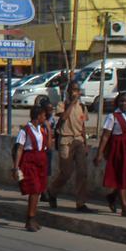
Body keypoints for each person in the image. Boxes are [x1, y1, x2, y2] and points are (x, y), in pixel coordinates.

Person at [46, 82, 92, 212]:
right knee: (66, 172)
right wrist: (72, 103)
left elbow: (82, 125)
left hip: (78, 139)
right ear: (68, 92)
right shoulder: (62, 105)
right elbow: (64, 117)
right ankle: (53, 191)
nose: (74, 92)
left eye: (76, 90)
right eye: (72, 90)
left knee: (82, 172)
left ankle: (80, 202)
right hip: (65, 140)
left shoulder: (82, 107)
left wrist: (85, 143)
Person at [13, 103, 51, 232]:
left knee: (39, 190)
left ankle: (33, 217)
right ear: (38, 116)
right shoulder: (25, 131)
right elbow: (19, 148)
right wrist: (16, 167)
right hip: (30, 162)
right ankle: (30, 218)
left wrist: (49, 130)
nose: (45, 117)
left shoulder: (42, 129)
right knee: (34, 190)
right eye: (43, 115)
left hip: (41, 162)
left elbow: (48, 146)